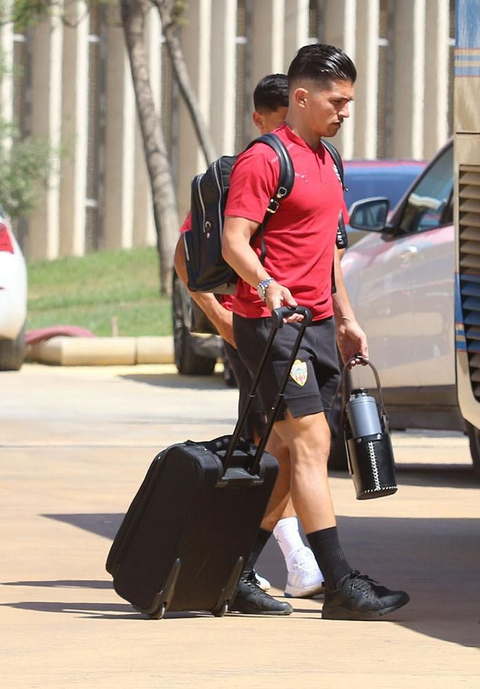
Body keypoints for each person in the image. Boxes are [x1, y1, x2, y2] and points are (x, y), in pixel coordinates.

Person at [221, 43, 410, 620]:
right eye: (336, 101)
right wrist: (265, 284)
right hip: (273, 324)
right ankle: (341, 583)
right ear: (301, 97)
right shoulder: (264, 159)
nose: (345, 111)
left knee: (285, 450)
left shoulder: (329, 161)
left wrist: (347, 317)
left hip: (320, 325)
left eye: (349, 101)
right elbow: (233, 241)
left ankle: (233, 572)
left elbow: (329, 252)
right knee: (311, 444)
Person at [171, 73, 324, 601]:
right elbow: (185, 256)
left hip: (300, 330)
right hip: (257, 332)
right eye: (279, 123)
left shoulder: (314, 165)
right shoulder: (243, 172)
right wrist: (223, 321)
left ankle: (260, 561)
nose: (288, 134)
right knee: (275, 444)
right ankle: (284, 558)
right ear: (260, 120)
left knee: (285, 445)